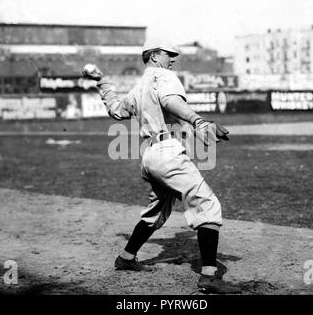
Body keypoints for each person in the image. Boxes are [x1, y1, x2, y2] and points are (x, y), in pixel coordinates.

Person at [82, 39, 241, 294]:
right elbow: (170, 101)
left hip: (150, 155)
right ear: (155, 56)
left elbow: (115, 111)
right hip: (167, 153)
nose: (173, 59)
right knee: (207, 205)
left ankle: (126, 257)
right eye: (169, 54)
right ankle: (210, 277)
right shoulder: (163, 75)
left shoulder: (139, 87)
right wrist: (198, 121)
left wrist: (101, 81)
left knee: (155, 212)